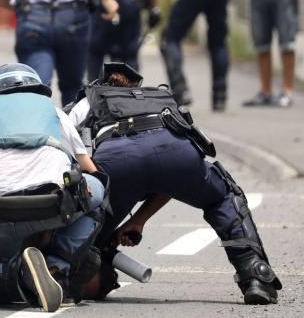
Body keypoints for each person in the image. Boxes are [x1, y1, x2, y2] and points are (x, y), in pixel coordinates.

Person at [67, 62, 282, 305]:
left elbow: (66, 152)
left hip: (117, 161)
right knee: (222, 196)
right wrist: (139, 221)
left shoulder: (87, 101)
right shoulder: (157, 97)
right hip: (177, 154)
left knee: (89, 235)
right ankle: (255, 274)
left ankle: (72, 281)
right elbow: (170, 174)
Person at [0, 63, 106, 312]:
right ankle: (55, 267)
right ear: (37, 90)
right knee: (97, 188)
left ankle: (20, 274)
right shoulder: (56, 113)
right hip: (53, 206)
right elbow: (91, 172)